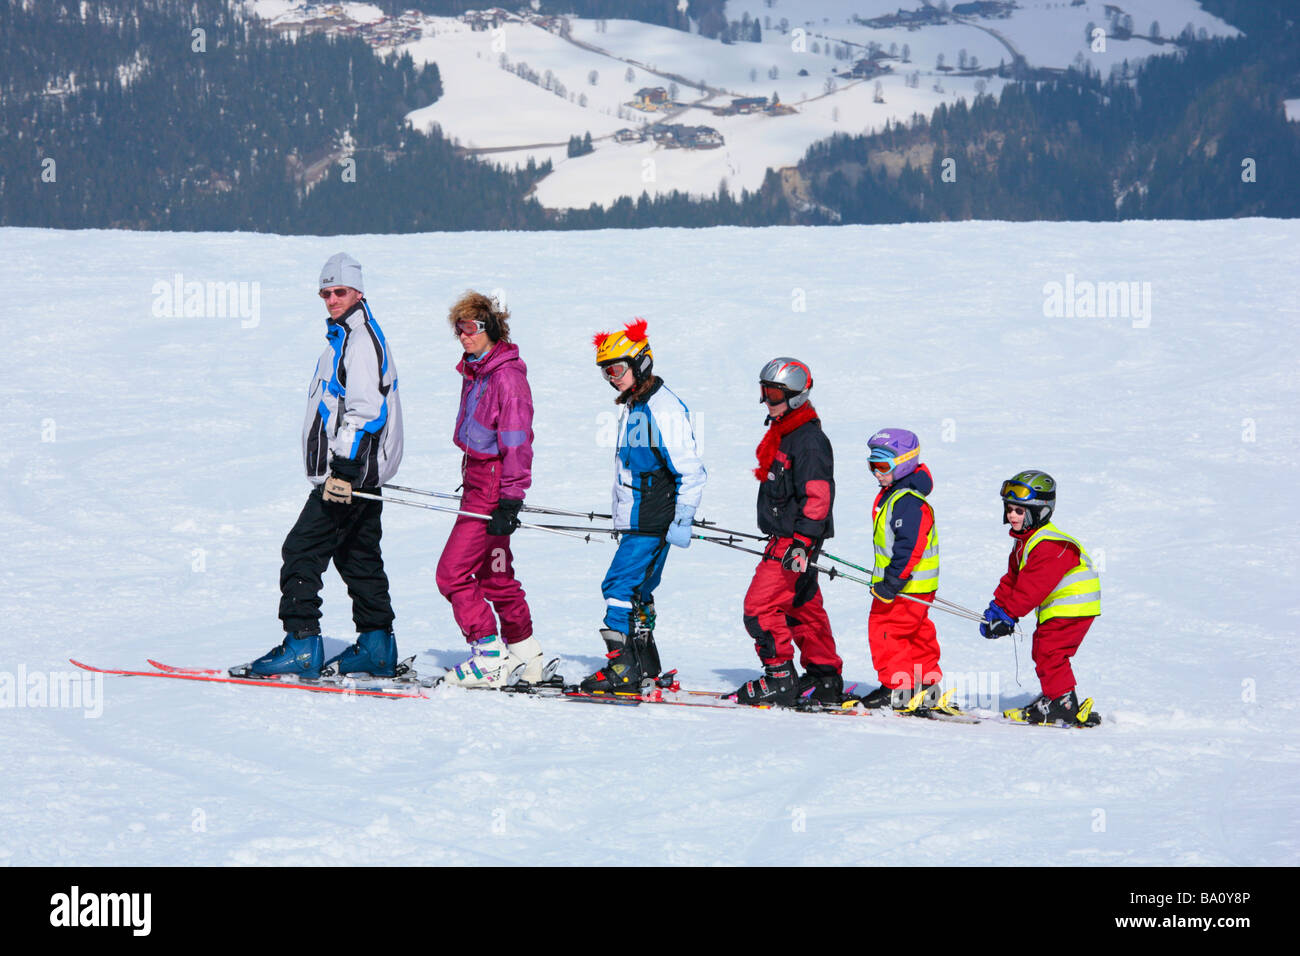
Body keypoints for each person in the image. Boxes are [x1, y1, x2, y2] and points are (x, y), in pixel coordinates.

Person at [243, 252, 404, 679]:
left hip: (347, 477)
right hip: (357, 476)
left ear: (358, 292)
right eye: (326, 292)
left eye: (340, 291)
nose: (332, 299)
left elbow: (366, 410)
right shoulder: (345, 337)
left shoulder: (360, 340)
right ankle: (376, 645)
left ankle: (301, 644)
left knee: (301, 550)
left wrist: (343, 472)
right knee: (358, 558)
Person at [582, 319, 706, 692]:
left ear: (641, 364)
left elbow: (691, 470)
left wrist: (682, 518)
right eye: (605, 371)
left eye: (617, 369)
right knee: (636, 590)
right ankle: (644, 663)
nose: (611, 377)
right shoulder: (638, 404)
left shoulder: (661, 409)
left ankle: (622, 668)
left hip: (652, 518)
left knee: (619, 586)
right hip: (638, 517)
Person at [435, 291, 546, 687]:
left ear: (491, 330)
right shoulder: (477, 371)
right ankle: (524, 651)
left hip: (493, 489)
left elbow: (517, 441)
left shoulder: (506, 378)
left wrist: (511, 499)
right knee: (494, 572)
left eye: (471, 328)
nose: (463, 336)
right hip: (476, 482)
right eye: (458, 329)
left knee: (451, 573)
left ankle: (488, 654)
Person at [733, 358, 843, 706]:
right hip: (791, 539)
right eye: (764, 391)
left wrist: (802, 544)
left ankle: (779, 678)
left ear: (796, 396)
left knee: (759, 608)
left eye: (775, 393)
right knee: (803, 607)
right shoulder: (787, 432)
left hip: (793, 542)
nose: (768, 399)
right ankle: (824, 676)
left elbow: (818, 496)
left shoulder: (807, 441)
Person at [981, 470, 1101, 726]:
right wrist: (997, 608)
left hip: (1074, 605)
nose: (1012, 515)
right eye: (1010, 509)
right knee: (1043, 649)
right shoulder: (1026, 542)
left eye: (1019, 510)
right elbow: (1013, 579)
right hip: (1061, 607)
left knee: (1050, 651)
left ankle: (1063, 704)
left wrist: (1009, 614)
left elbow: (1031, 588)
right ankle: (1056, 697)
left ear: (1040, 511)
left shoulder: (1051, 545)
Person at [855, 428, 946, 711]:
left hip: (903, 587)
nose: (876, 473)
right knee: (916, 633)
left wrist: (892, 582)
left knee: (887, 631)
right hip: (916, 587)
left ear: (904, 463)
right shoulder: (897, 494)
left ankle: (898, 688)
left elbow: (910, 548)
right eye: (872, 465)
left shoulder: (907, 501)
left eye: (882, 466)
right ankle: (926, 686)